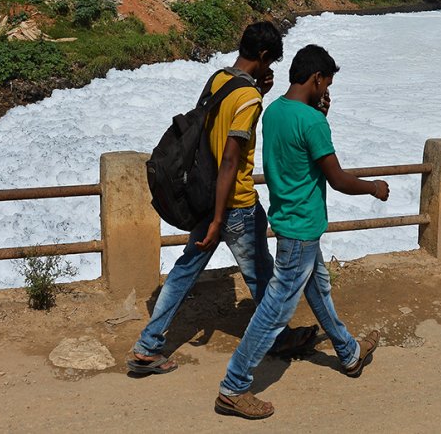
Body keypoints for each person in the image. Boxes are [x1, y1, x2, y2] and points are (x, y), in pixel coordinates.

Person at [128, 22, 316, 376]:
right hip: (234, 204)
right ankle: (274, 340)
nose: (271, 67)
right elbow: (231, 157)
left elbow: (211, 133)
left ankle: (148, 345)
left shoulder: (219, 80)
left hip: (208, 195)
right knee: (263, 275)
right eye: (271, 61)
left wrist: (212, 215)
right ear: (262, 56)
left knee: (185, 272)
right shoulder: (249, 99)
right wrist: (218, 219)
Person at [215, 44, 389, 419]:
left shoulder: (275, 110)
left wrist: (317, 112)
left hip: (287, 218)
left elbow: (295, 152)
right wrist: (374, 187)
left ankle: (349, 354)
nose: (327, 91)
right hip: (301, 226)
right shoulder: (312, 122)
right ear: (316, 78)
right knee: (274, 310)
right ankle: (233, 386)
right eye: (326, 84)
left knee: (319, 288)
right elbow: (338, 179)